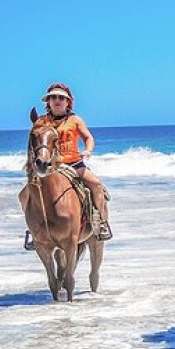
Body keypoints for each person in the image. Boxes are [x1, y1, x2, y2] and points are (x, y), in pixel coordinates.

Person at [24, 82, 112, 247]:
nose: (57, 101)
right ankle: (33, 229)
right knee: (24, 194)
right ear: (48, 102)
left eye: (61, 98)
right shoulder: (42, 121)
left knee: (96, 184)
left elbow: (88, 137)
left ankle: (101, 223)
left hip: (74, 164)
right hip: (51, 167)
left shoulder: (75, 119)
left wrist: (88, 150)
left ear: (67, 102)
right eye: (53, 98)